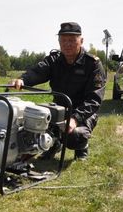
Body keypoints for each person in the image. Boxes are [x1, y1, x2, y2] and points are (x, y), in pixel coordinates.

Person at [8, 22, 105, 160]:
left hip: (84, 113)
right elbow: (37, 72)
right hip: (59, 109)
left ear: (81, 41)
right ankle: (54, 144)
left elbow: (94, 99)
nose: (67, 44)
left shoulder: (93, 64)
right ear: (59, 42)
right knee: (32, 125)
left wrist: (74, 119)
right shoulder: (54, 60)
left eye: (72, 40)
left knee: (74, 134)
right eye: (63, 40)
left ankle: (81, 147)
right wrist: (22, 80)